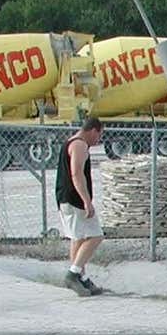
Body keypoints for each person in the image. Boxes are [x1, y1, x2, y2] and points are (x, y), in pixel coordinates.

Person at [55, 116, 106, 297]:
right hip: (75, 199)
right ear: (93, 130)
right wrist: (87, 201)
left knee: (77, 238)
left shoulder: (70, 142)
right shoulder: (80, 145)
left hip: (65, 198)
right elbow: (77, 173)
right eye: (99, 136)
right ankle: (73, 274)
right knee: (95, 236)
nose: (97, 140)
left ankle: (82, 279)